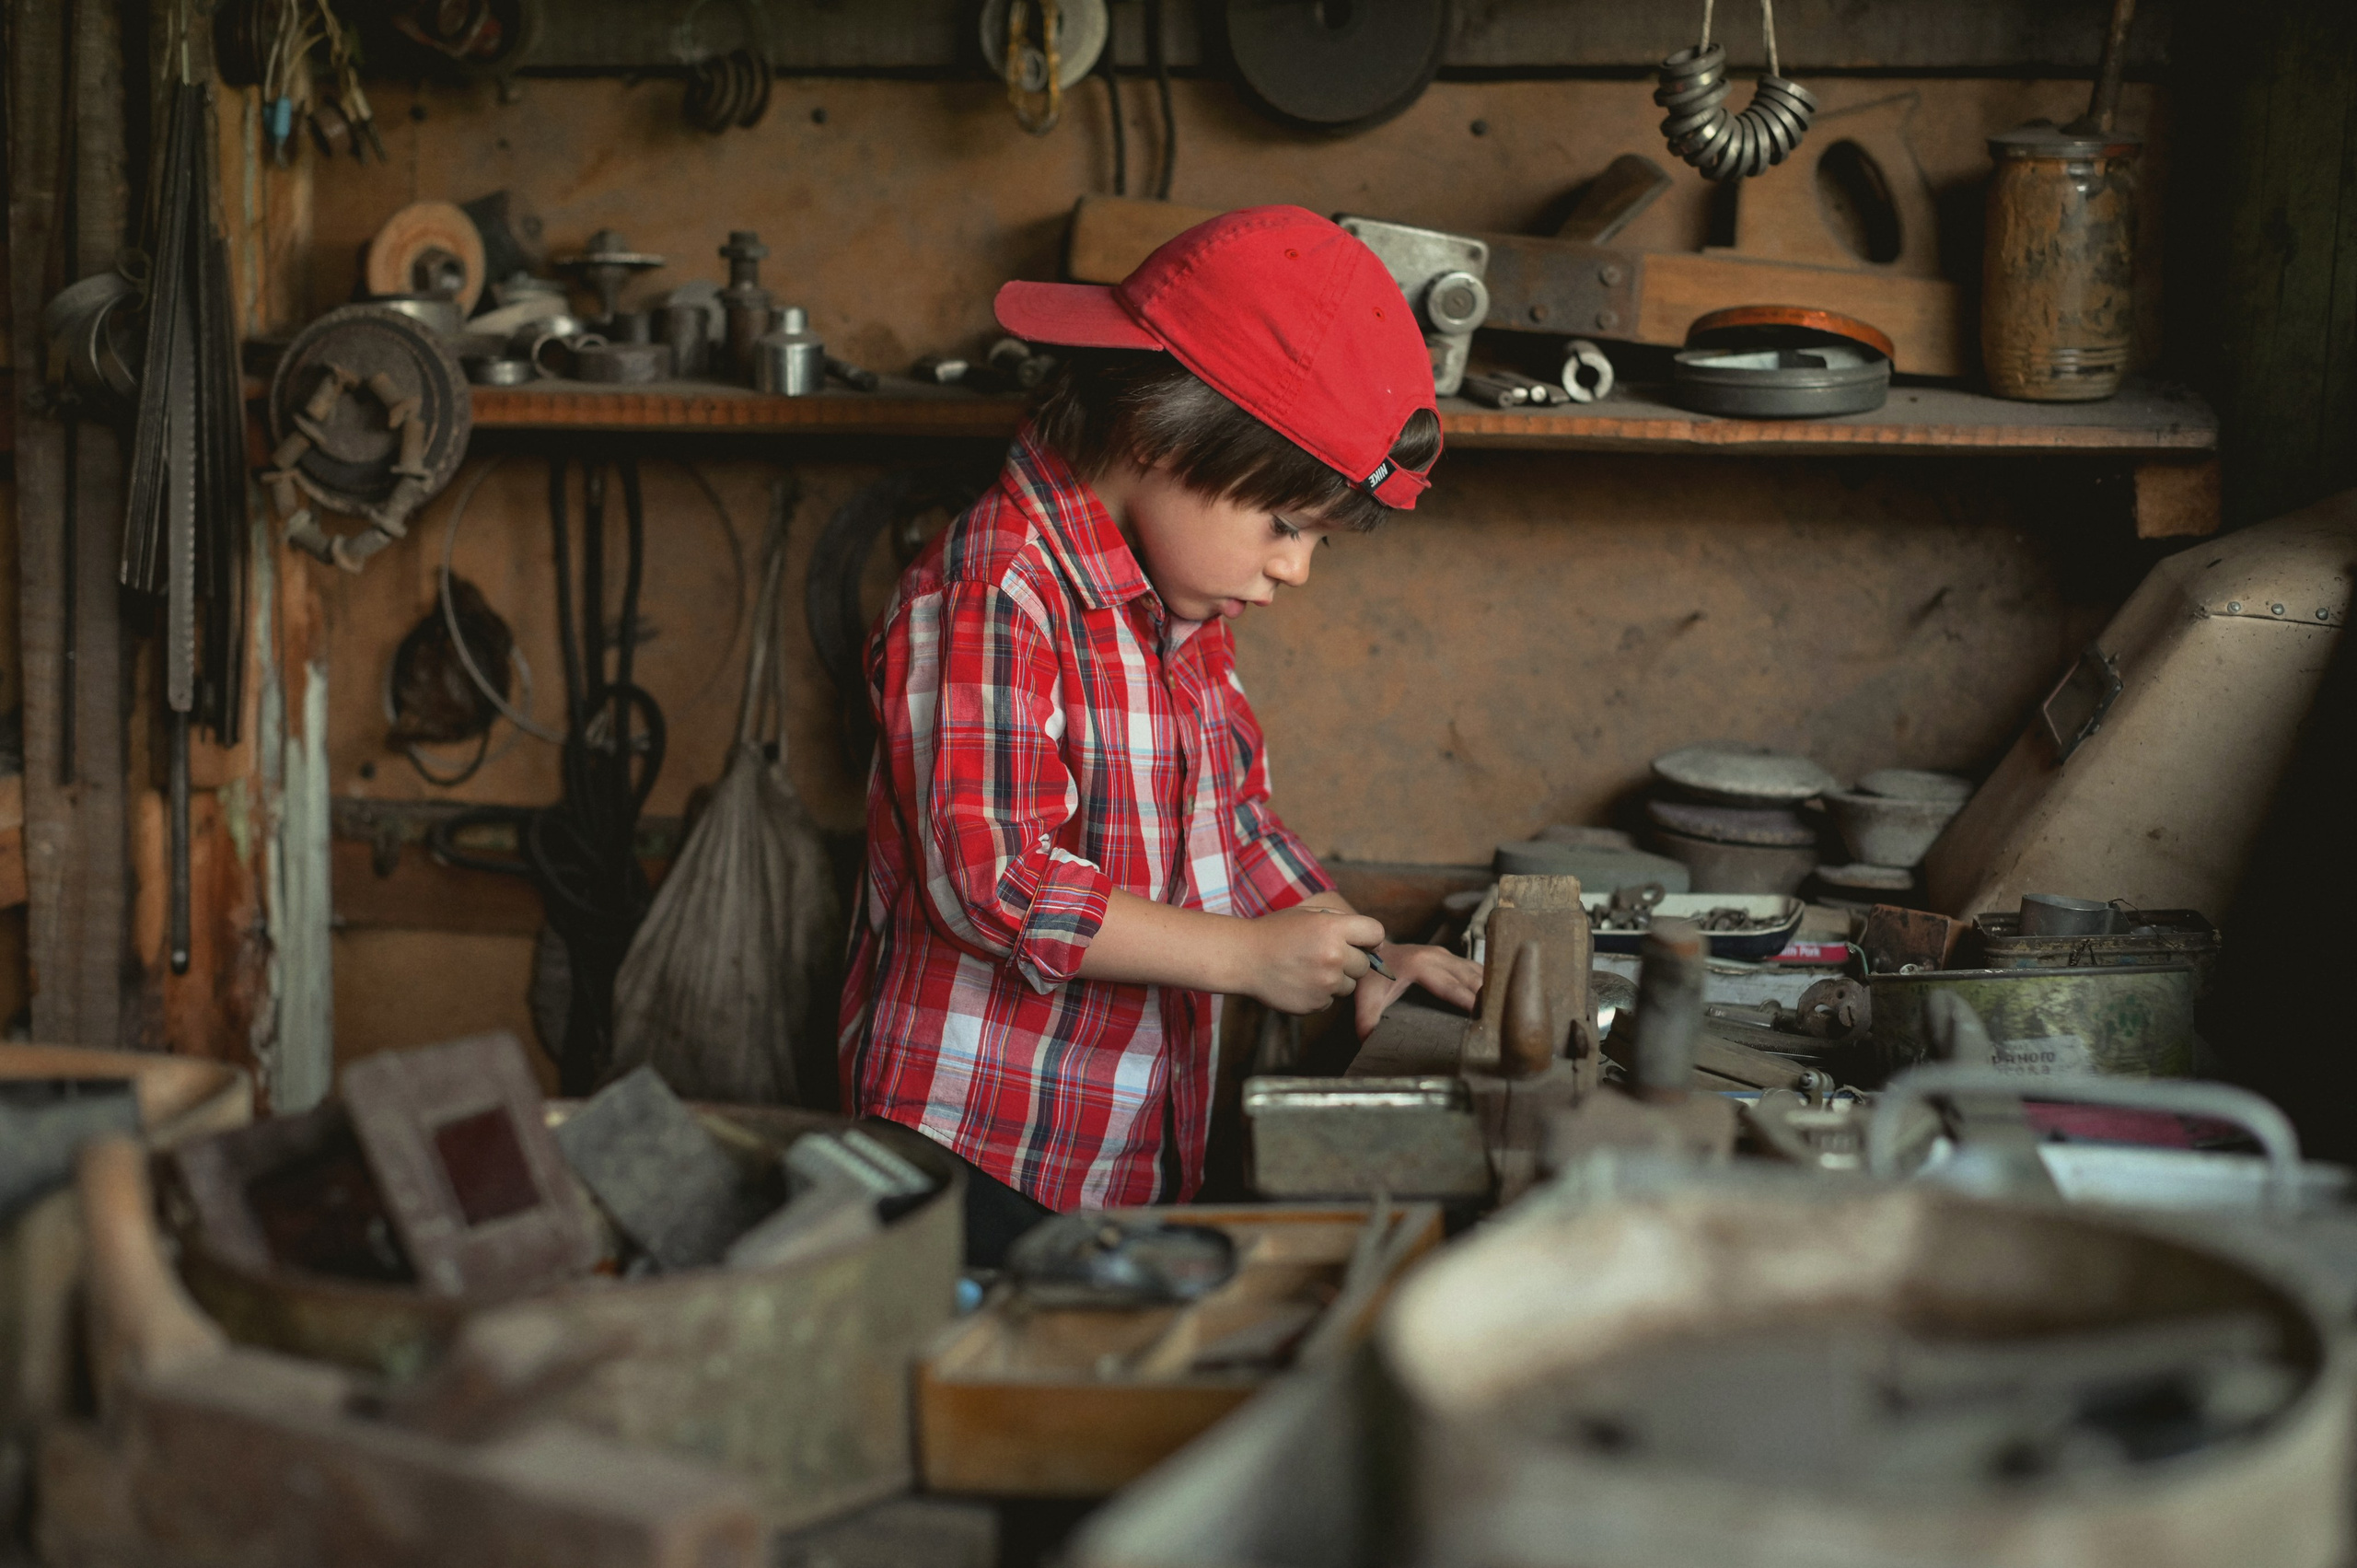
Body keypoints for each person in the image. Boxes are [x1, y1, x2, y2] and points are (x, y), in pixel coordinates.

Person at [838, 205, 1485, 1262]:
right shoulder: (989, 595)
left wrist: (1359, 945)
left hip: (1117, 1150)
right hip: (966, 1154)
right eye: (1284, 525)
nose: (1294, 570)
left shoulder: (1178, 609)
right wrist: (1243, 958)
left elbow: (1232, 826)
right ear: (1159, 433)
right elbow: (988, 880)